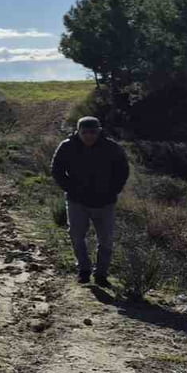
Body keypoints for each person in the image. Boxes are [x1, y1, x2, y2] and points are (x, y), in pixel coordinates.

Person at [51, 117, 130, 287]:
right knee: (76, 236)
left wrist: (113, 190)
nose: (89, 136)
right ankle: (84, 270)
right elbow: (56, 169)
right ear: (78, 132)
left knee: (106, 240)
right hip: (77, 201)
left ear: (99, 131)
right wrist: (70, 188)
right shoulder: (67, 146)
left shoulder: (111, 148)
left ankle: (101, 274)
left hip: (105, 202)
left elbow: (123, 170)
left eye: (93, 132)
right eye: (84, 132)